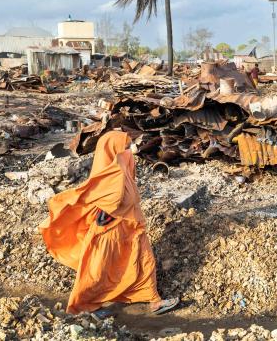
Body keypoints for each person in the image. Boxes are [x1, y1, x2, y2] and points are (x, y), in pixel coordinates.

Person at [39, 131, 179, 317]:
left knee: (144, 261)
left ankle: (154, 301)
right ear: (113, 150)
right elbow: (107, 202)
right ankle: (80, 306)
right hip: (109, 232)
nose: (130, 150)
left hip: (132, 228)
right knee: (98, 270)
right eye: (125, 147)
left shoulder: (123, 168)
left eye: (129, 146)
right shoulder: (110, 176)